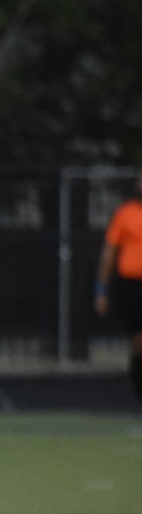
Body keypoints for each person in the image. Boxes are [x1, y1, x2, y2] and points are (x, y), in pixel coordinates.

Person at [95, 171, 142, 406]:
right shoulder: (126, 213)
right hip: (132, 287)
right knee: (139, 341)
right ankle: (138, 389)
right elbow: (109, 252)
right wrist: (101, 290)